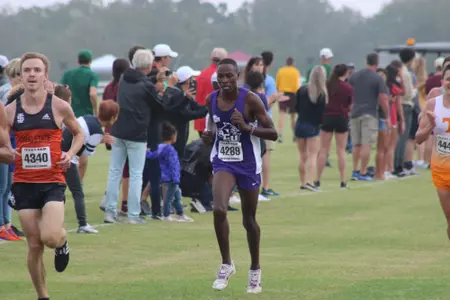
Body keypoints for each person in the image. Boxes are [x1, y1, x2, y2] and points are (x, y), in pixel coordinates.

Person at [5, 52, 85, 300]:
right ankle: (43, 296)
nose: (31, 74)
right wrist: (6, 154)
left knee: (50, 237)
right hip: (23, 184)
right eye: (27, 70)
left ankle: (62, 243)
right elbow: (1, 147)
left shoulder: (59, 106)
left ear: (44, 75)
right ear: (21, 76)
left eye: (36, 70)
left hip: (52, 181)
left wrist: (70, 152)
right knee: (34, 245)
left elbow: (79, 133)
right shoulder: (9, 111)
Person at [203, 58, 278, 294]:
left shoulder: (250, 100)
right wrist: (209, 136)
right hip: (224, 161)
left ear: (238, 76)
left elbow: (273, 133)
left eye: (229, 76)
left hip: (247, 163)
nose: (224, 80)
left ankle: (255, 270)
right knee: (219, 209)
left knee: (249, 221)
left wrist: (248, 128)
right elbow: (212, 126)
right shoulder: (211, 99)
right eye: (221, 76)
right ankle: (226, 264)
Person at [59, 84, 119, 233]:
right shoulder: (97, 132)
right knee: (78, 192)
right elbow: (83, 156)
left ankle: (55, 222)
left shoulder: (88, 118)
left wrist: (99, 140)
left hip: (58, 151)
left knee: (58, 191)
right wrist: (101, 140)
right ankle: (83, 224)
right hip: (68, 158)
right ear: (112, 118)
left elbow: (81, 136)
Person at [416, 65, 450, 239]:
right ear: (443, 82)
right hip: (442, 171)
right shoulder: (432, 105)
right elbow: (419, 138)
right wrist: (431, 124)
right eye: (448, 79)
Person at [349, 53, 390, 181]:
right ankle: (363, 171)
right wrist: (387, 114)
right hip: (370, 113)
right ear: (377, 63)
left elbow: (349, 93)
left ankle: (355, 170)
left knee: (356, 144)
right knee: (366, 144)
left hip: (355, 112)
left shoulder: (355, 75)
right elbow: (383, 98)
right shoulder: (378, 78)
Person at [146, 122, 193, 222]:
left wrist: (147, 152)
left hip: (165, 177)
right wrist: (176, 178)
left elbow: (153, 156)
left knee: (176, 197)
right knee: (170, 198)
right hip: (172, 178)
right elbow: (173, 165)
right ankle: (167, 215)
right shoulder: (170, 150)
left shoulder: (160, 147)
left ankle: (180, 214)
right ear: (173, 136)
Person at [316, 64, 353, 188]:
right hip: (342, 118)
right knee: (341, 150)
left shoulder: (327, 85)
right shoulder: (348, 88)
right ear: (345, 73)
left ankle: (317, 179)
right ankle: (343, 180)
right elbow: (349, 105)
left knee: (323, 150)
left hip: (327, 117)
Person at [295, 66, 327, 191]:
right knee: (313, 155)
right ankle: (310, 181)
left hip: (300, 123)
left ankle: (302, 182)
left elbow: (296, 107)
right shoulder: (321, 93)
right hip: (312, 125)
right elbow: (321, 114)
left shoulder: (302, 90)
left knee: (302, 156)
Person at [275, 57, 300, 143]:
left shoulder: (281, 71)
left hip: (282, 94)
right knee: (293, 117)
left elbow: (277, 84)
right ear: (293, 63)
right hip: (293, 95)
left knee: (282, 115)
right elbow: (297, 86)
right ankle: (295, 136)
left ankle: (280, 135)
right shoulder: (295, 71)